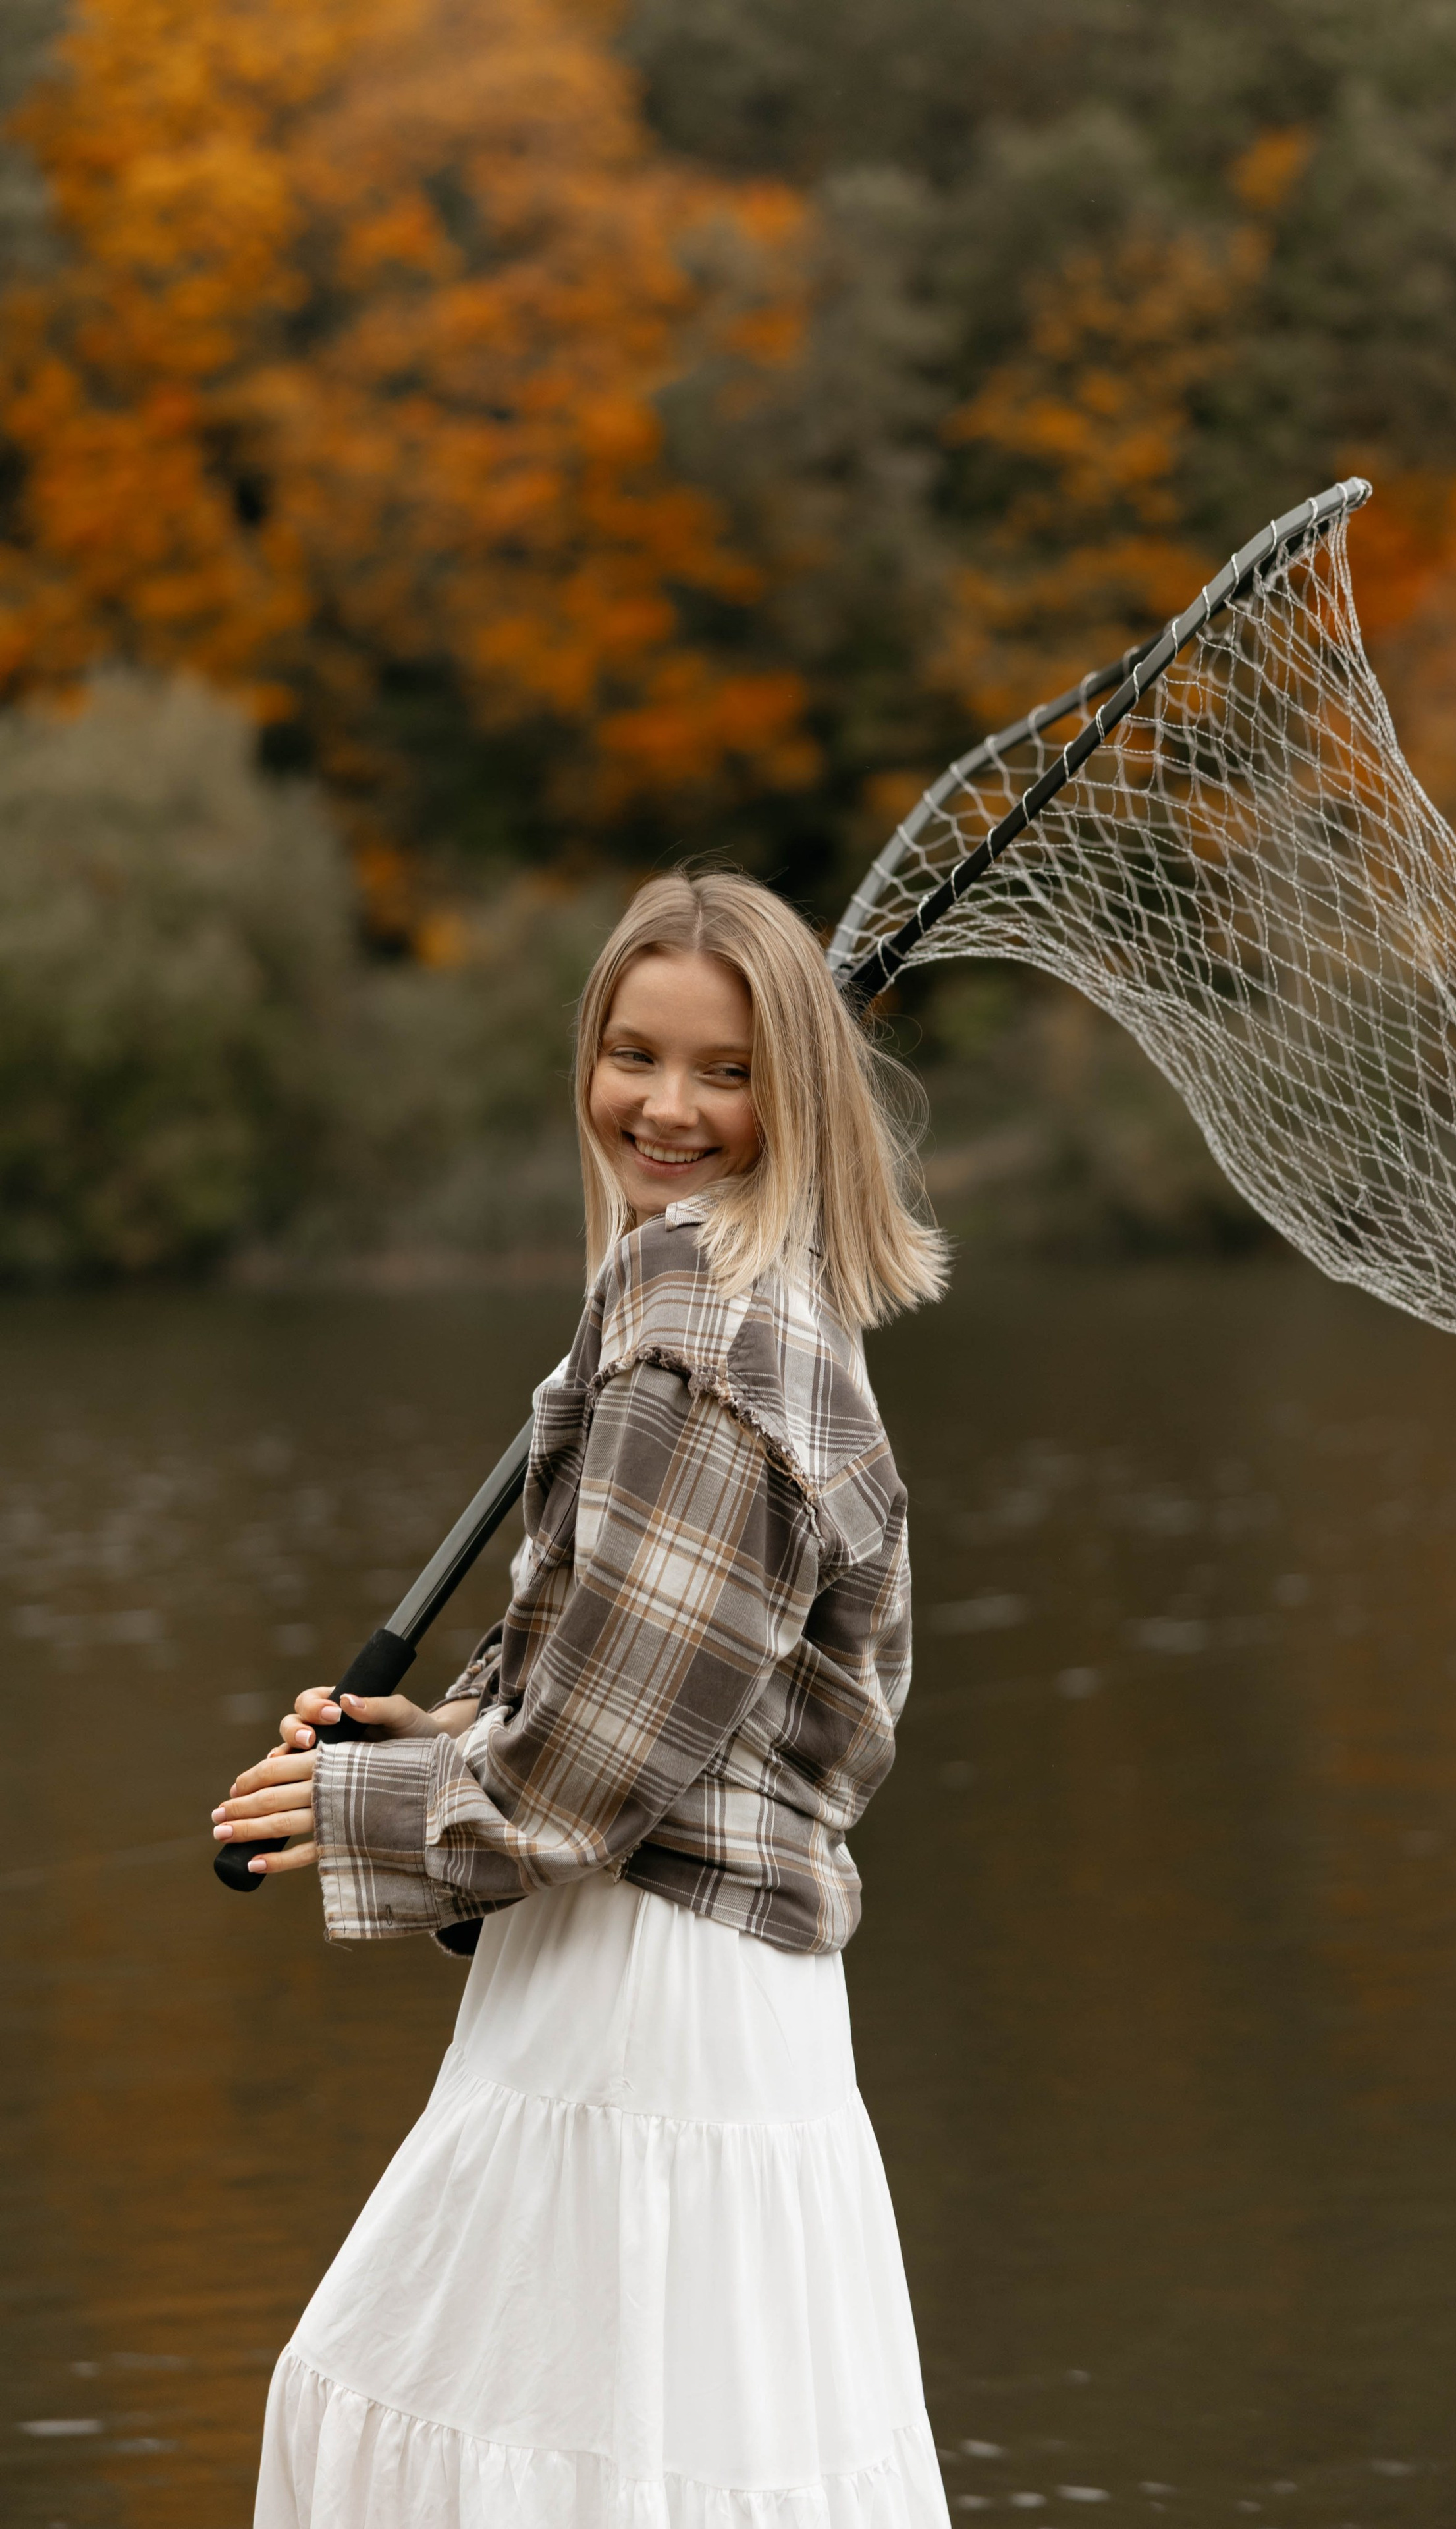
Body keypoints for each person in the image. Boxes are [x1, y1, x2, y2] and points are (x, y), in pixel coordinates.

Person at [212, 870, 952, 2529]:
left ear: (797, 1095)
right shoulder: (751, 1301)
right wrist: (448, 1729)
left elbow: (581, 1791)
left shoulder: (709, 1331)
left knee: (470, 2438)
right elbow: (679, 1701)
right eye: (634, 1053)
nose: (666, 1107)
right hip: (691, 1996)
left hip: (653, 2006)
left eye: (727, 1071)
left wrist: (343, 1813)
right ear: (587, 1056)